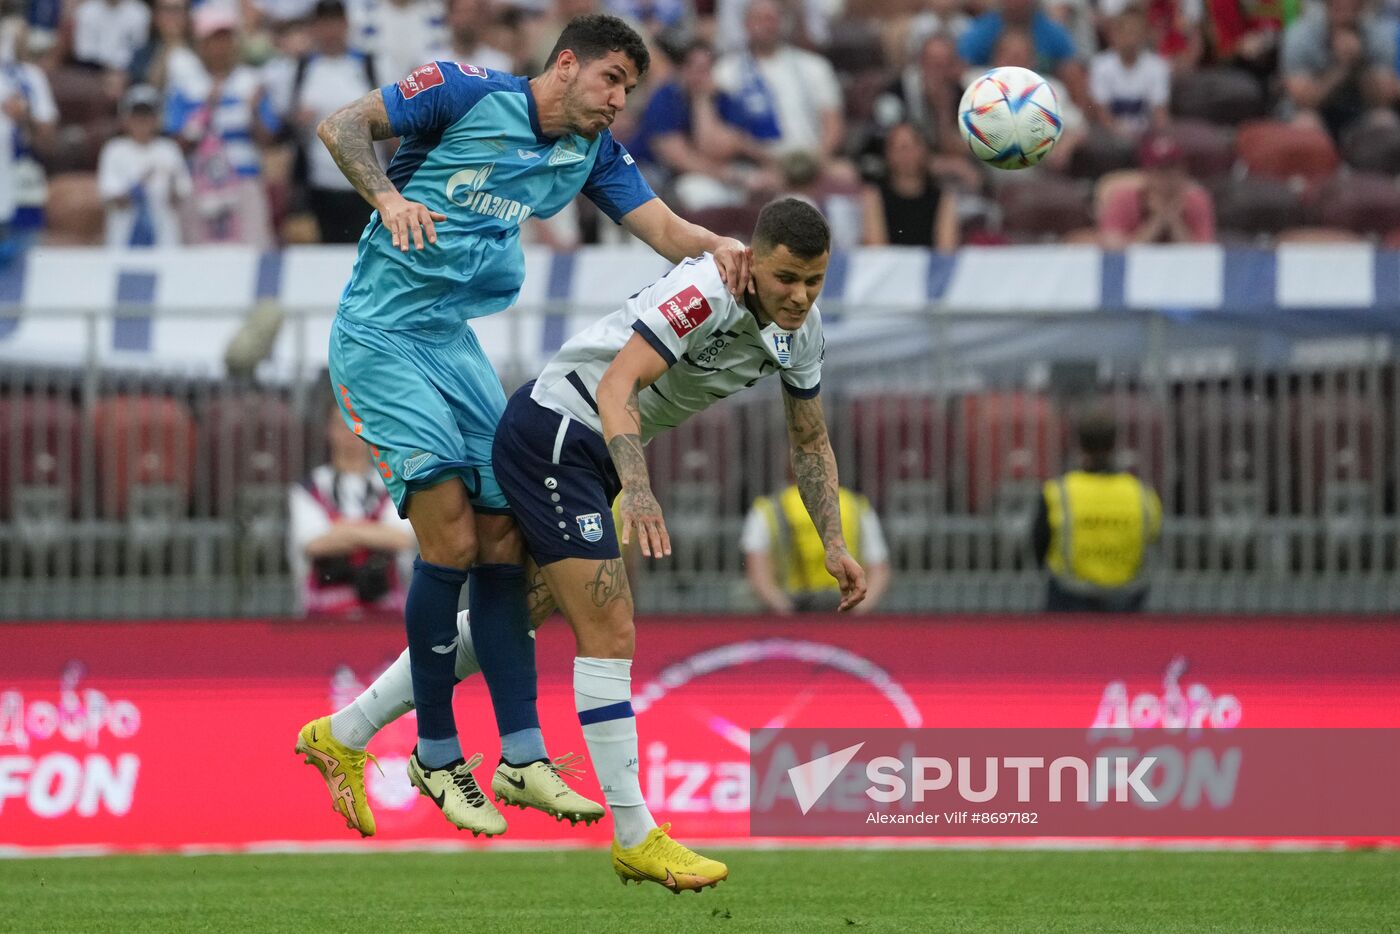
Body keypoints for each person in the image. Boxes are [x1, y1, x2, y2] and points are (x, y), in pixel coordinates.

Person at [304, 197, 864, 886]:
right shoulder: (706, 291)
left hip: (590, 453)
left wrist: (833, 542)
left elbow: (810, 440)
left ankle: (346, 733)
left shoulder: (799, 335)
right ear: (755, 257)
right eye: (786, 278)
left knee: (521, 614)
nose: (800, 295)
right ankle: (635, 833)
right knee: (611, 624)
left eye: (814, 281)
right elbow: (617, 383)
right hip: (559, 429)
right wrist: (641, 487)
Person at [295, 13, 752, 841]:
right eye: (611, 79)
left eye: (629, 89)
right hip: (381, 336)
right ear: (567, 64)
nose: (618, 99)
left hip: (452, 342)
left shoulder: (589, 153)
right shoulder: (464, 93)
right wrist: (389, 195)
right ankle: (436, 754)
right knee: (451, 543)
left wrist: (719, 245)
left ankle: (523, 754)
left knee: (506, 533)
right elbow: (341, 126)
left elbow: (662, 229)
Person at [289, 400, 416, 617]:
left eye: (358, 424)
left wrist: (340, 529)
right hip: (323, 618)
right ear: (329, 431)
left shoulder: (394, 485)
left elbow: (402, 540)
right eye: (342, 425)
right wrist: (374, 533)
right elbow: (313, 544)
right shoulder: (308, 488)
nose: (351, 434)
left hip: (386, 614)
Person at [1031, 408, 1162, 612]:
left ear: (1080, 445)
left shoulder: (1058, 492)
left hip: (1069, 596)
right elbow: (1153, 538)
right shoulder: (1143, 494)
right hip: (1127, 598)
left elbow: (1039, 545)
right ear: (1114, 444)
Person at [743, 481, 889, 614]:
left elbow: (758, 572)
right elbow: (878, 570)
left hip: (791, 608)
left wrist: (785, 610)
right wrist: (856, 611)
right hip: (845, 608)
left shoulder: (768, 507)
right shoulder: (855, 505)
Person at [97, 84, 192, 247]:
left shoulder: (168, 149)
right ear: (126, 119)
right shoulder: (115, 150)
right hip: (124, 240)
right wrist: (139, 186)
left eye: (147, 116)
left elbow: (181, 195)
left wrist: (171, 183)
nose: (142, 122)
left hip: (164, 240)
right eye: (136, 116)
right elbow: (113, 197)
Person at [1098, 132, 1214, 247]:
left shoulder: (1197, 200)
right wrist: (1157, 220)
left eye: (1173, 170)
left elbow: (1203, 253)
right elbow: (1113, 249)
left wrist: (1174, 221)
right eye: (1160, 172)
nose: (1167, 178)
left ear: (1183, 172)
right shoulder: (1123, 198)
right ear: (1146, 174)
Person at [860, 122, 958, 250]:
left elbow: (946, 250)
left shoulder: (942, 198)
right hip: (889, 267)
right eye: (900, 148)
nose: (907, 155)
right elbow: (877, 251)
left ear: (925, 150)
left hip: (931, 268)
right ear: (887, 153)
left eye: (912, 146)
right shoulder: (874, 196)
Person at [1089, 7, 1170, 140]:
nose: (1131, 40)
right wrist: (1119, 132)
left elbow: (1159, 111)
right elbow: (1101, 111)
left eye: (1135, 33)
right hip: (1111, 135)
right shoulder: (1100, 65)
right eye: (1126, 33)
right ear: (1115, 35)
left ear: (1143, 35)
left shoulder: (1157, 66)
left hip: (1146, 133)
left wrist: (1162, 139)